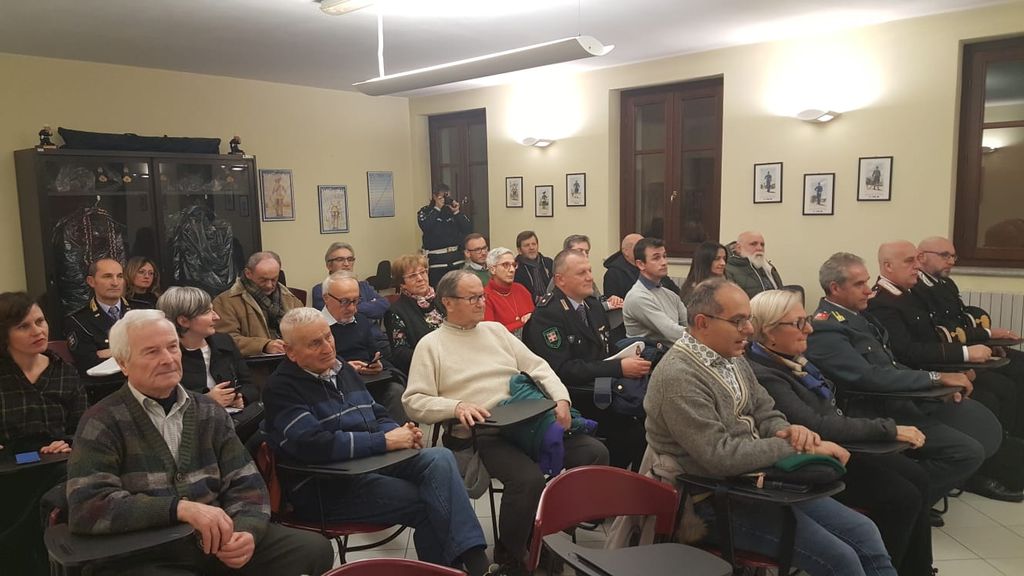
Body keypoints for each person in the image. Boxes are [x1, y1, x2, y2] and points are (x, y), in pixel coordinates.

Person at [641, 278, 896, 576]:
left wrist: (786, 431)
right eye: (738, 321)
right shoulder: (678, 377)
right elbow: (720, 456)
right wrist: (792, 446)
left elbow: (765, 410)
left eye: (748, 319)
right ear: (702, 323)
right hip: (710, 501)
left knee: (865, 531)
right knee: (841, 558)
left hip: (757, 484)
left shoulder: (731, 356)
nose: (749, 329)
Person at [65, 310, 333, 576]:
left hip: (216, 542)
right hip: (149, 552)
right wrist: (178, 509)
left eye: (173, 347)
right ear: (124, 363)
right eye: (152, 352)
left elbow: (246, 484)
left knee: (314, 549)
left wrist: (245, 532)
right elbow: (88, 506)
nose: (168, 359)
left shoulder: (209, 410)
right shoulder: (102, 420)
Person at [403, 270, 609, 574]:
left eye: (481, 296)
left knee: (594, 453)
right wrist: (455, 406)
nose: (481, 302)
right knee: (527, 480)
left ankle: (544, 534)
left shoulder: (495, 331)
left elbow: (538, 367)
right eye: (472, 298)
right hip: (487, 429)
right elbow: (413, 401)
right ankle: (511, 552)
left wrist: (561, 400)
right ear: (447, 302)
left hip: (528, 417)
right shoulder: (431, 344)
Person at [262, 308, 492, 576]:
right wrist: (383, 441)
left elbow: (377, 413)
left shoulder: (340, 368)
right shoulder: (281, 388)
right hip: (327, 485)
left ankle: (470, 564)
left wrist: (400, 434)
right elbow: (313, 444)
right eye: (315, 343)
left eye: (328, 336)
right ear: (290, 352)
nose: (327, 347)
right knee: (429, 500)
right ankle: (472, 567)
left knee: (439, 457)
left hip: (369, 462)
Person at [747, 289, 933, 576]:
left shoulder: (794, 360)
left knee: (919, 476)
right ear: (769, 333)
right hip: (811, 459)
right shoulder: (765, 374)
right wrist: (887, 429)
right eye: (798, 323)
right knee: (902, 498)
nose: (809, 329)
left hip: (839, 445)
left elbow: (832, 413)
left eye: (807, 320)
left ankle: (919, 570)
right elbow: (816, 424)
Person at [804, 252, 1001, 509]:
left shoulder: (860, 316)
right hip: (873, 412)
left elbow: (892, 365)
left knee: (977, 424)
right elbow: (868, 377)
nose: (868, 290)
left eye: (866, 281)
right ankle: (903, 505)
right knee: (966, 453)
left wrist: (940, 384)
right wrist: (935, 378)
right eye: (859, 284)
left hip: (899, 400)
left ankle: (913, 500)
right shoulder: (825, 327)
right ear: (835, 288)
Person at [866, 241, 1024, 501]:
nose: (916, 266)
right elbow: (907, 353)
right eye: (909, 261)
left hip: (939, 370)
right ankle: (979, 474)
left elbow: (940, 334)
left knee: (1003, 385)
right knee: (990, 396)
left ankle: (1001, 460)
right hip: (918, 381)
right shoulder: (883, 302)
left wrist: (963, 363)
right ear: (887, 266)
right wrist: (961, 361)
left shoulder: (909, 295)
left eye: (916, 259)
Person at [525, 249, 650, 470]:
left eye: (590, 271)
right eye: (581, 273)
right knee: (633, 434)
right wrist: (618, 368)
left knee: (650, 418)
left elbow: (606, 350)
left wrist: (629, 357)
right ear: (560, 280)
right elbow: (562, 370)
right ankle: (606, 482)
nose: (590, 277)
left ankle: (628, 482)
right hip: (573, 397)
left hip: (602, 388)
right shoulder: (548, 314)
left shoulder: (592, 306)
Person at [0, 292, 87, 576]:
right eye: (23, 326)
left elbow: (83, 427)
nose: (38, 331)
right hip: (9, 465)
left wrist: (68, 442)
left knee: (65, 478)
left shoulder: (65, 372)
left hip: (55, 460)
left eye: (40, 321)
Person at [916, 236, 1024, 434]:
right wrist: (984, 337)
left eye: (953, 256)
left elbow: (962, 321)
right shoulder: (917, 289)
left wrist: (987, 342)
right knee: (1003, 387)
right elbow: (944, 332)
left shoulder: (946, 284)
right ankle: (1006, 439)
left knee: (1020, 362)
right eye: (945, 255)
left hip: (966, 347)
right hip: (951, 356)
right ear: (922, 257)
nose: (951, 261)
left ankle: (1017, 435)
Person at [321, 271, 408, 423]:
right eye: (344, 301)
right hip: (336, 386)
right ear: (326, 298)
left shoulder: (360, 320)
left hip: (369, 381)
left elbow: (374, 353)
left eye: (356, 301)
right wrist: (344, 368)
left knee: (395, 390)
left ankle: (402, 434)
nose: (352, 308)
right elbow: (313, 368)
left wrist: (377, 365)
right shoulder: (316, 327)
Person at [157, 286, 254, 408]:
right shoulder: (165, 356)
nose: (217, 317)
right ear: (184, 321)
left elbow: (250, 385)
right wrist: (206, 400)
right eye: (207, 312)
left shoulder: (224, 342)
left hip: (236, 416)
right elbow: (164, 399)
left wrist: (241, 397)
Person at [213, 251, 303, 357]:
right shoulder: (225, 302)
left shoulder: (291, 300)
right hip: (251, 365)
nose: (269, 285)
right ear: (248, 273)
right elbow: (224, 340)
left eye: (274, 279)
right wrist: (264, 346)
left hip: (291, 360)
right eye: (263, 280)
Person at [65, 258, 132, 373]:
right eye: (107, 276)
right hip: (107, 382)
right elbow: (88, 363)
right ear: (91, 281)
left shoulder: (143, 309)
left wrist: (106, 352)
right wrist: (135, 350)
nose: (115, 283)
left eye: (120, 276)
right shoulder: (78, 320)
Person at [385, 254, 445, 373]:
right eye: (412, 276)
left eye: (423, 272)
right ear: (402, 283)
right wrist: (434, 358)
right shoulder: (395, 311)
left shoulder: (443, 299)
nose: (420, 278)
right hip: (425, 368)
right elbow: (400, 353)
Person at [623, 237, 687, 346]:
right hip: (653, 355)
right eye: (656, 258)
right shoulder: (637, 297)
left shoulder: (670, 295)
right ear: (641, 264)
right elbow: (673, 333)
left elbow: (689, 324)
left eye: (664, 256)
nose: (664, 262)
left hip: (674, 351)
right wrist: (705, 336)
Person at [309, 242, 391, 322]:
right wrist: (369, 305)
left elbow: (384, 304)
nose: (346, 264)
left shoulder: (364, 285)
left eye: (350, 259)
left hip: (373, 330)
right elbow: (335, 315)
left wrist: (351, 307)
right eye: (340, 259)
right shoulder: (320, 290)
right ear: (329, 265)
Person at [545, 235, 623, 310]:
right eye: (579, 251)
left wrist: (610, 301)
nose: (584, 254)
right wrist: (607, 305)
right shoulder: (560, 279)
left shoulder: (587, 277)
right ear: (567, 252)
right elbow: (574, 308)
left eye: (587, 252)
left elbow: (597, 300)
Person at [418, 183, 473, 286]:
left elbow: (468, 229)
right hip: (437, 262)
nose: (445, 199)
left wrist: (457, 212)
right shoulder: (425, 211)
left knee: (458, 290)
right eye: (442, 196)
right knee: (439, 291)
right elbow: (426, 226)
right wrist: (437, 208)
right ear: (434, 197)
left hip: (456, 260)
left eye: (447, 196)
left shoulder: (451, 211)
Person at [483, 247, 535, 337]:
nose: (512, 270)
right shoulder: (485, 297)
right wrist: (522, 323)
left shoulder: (521, 289)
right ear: (493, 269)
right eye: (506, 265)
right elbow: (491, 334)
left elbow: (536, 318)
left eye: (514, 265)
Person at [725, 231, 785, 299]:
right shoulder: (727, 270)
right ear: (738, 248)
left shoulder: (769, 267)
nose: (759, 248)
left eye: (762, 245)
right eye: (753, 244)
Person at [513, 230, 554, 303]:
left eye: (534, 244)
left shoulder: (548, 263)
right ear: (519, 250)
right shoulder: (515, 269)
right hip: (528, 305)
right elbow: (521, 294)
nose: (531, 248)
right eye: (527, 245)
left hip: (552, 302)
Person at [603, 233, 645, 299]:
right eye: (639, 248)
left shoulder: (649, 266)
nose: (644, 251)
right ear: (626, 251)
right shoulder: (613, 274)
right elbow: (613, 302)